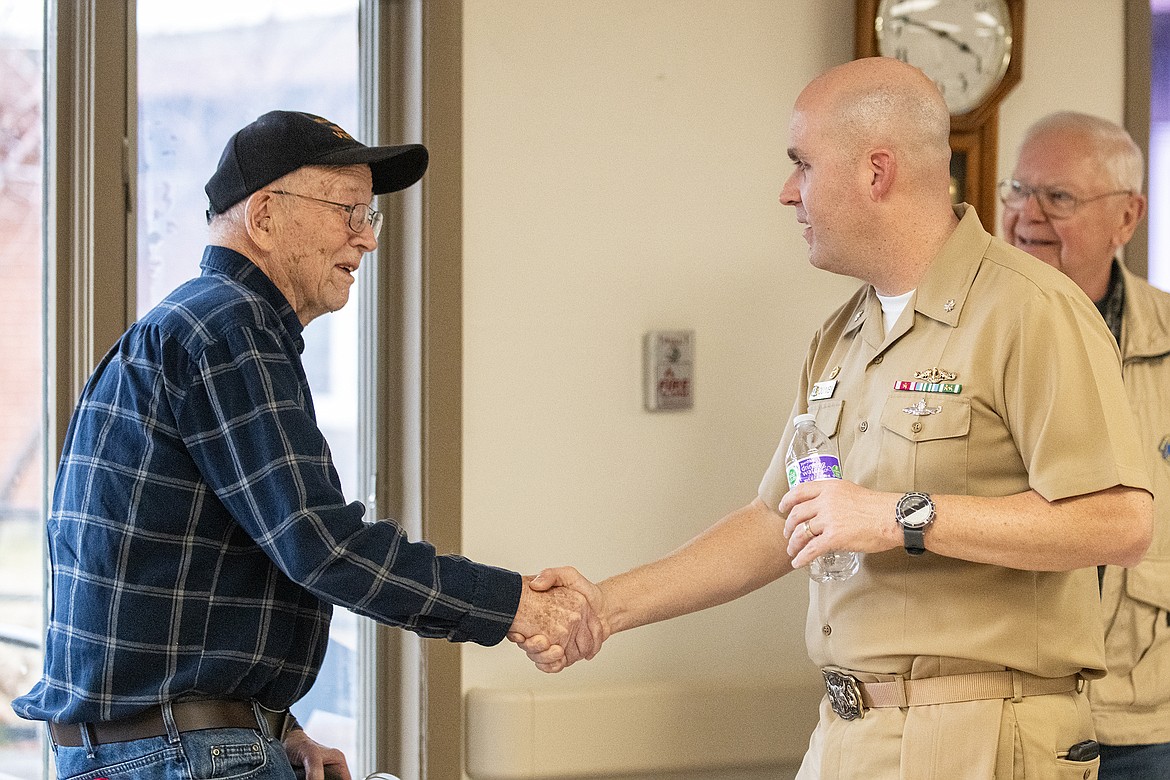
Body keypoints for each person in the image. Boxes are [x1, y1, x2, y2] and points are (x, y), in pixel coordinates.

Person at [514, 58, 1154, 778]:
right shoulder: (843, 334)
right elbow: (775, 521)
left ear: (875, 172)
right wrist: (605, 605)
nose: (788, 192)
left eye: (803, 164)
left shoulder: (1031, 310)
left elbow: (1117, 523)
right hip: (850, 729)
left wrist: (902, 516)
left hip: (978, 733)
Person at [12, 110, 600, 780]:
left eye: (369, 216)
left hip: (151, 748)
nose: (366, 239)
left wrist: (273, 726)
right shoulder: (229, 329)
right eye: (347, 209)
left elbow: (179, 579)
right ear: (263, 217)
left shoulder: (195, 327)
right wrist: (515, 604)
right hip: (173, 756)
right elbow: (321, 543)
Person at [1003, 111, 1170, 778]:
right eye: (1017, 189)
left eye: (1058, 197)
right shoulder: (958, 331)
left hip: (1144, 720)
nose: (1026, 215)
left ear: (1126, 220)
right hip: (1008, 707)